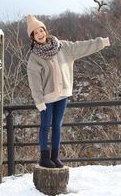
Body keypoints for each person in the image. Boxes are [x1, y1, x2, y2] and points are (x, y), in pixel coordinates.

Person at [26, 14, 110, 168]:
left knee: (57, 125)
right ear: (32, 37)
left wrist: (101, 42)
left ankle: (55, 156)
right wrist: (39, 101)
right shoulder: (34, 58)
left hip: (63, 94)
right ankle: (44, 158)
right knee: (45, 126)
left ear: (45, 30)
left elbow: (82, 46)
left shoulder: (63, 47)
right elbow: (34, 83)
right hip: (47, 98)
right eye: (35, 33)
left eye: (41, 30)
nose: (40, 34)